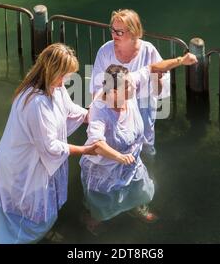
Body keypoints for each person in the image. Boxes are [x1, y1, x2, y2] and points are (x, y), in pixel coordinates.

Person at [0, 43, 97, 244]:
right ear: (53, 71)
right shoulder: (36, 102)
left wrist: (92, 115)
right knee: (29, 210)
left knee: (31, 209)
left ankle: (30, 233)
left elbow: (70, 110)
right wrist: (84, 149)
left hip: (33, 159)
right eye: (66, 74)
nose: (68, 80)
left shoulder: (55, 87)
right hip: (22, 164)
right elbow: (51, 147)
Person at [81, 52, 198, 234]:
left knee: (141, 191)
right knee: (104, 204)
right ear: (112, 91)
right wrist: (119, 157)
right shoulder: (99, 111)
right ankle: (95, 218)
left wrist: (181, 61)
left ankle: (137, 208)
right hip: (106, 169)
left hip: (131, 162)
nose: (133, 87)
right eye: (127, 86)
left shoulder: (127, 85)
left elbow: (152, 68)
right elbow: (96, 144)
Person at [89, 9, 170, 158]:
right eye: (112, 30)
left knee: (145, 148)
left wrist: (157, 79)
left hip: (143, 109)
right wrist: (97, 114)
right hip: (113, 111)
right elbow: (97, 88)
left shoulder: (148, 51)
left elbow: (159, 92)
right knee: (114, 149)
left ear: (133, 32)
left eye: (119, 32)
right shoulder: (105, 51)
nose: (114, 35)